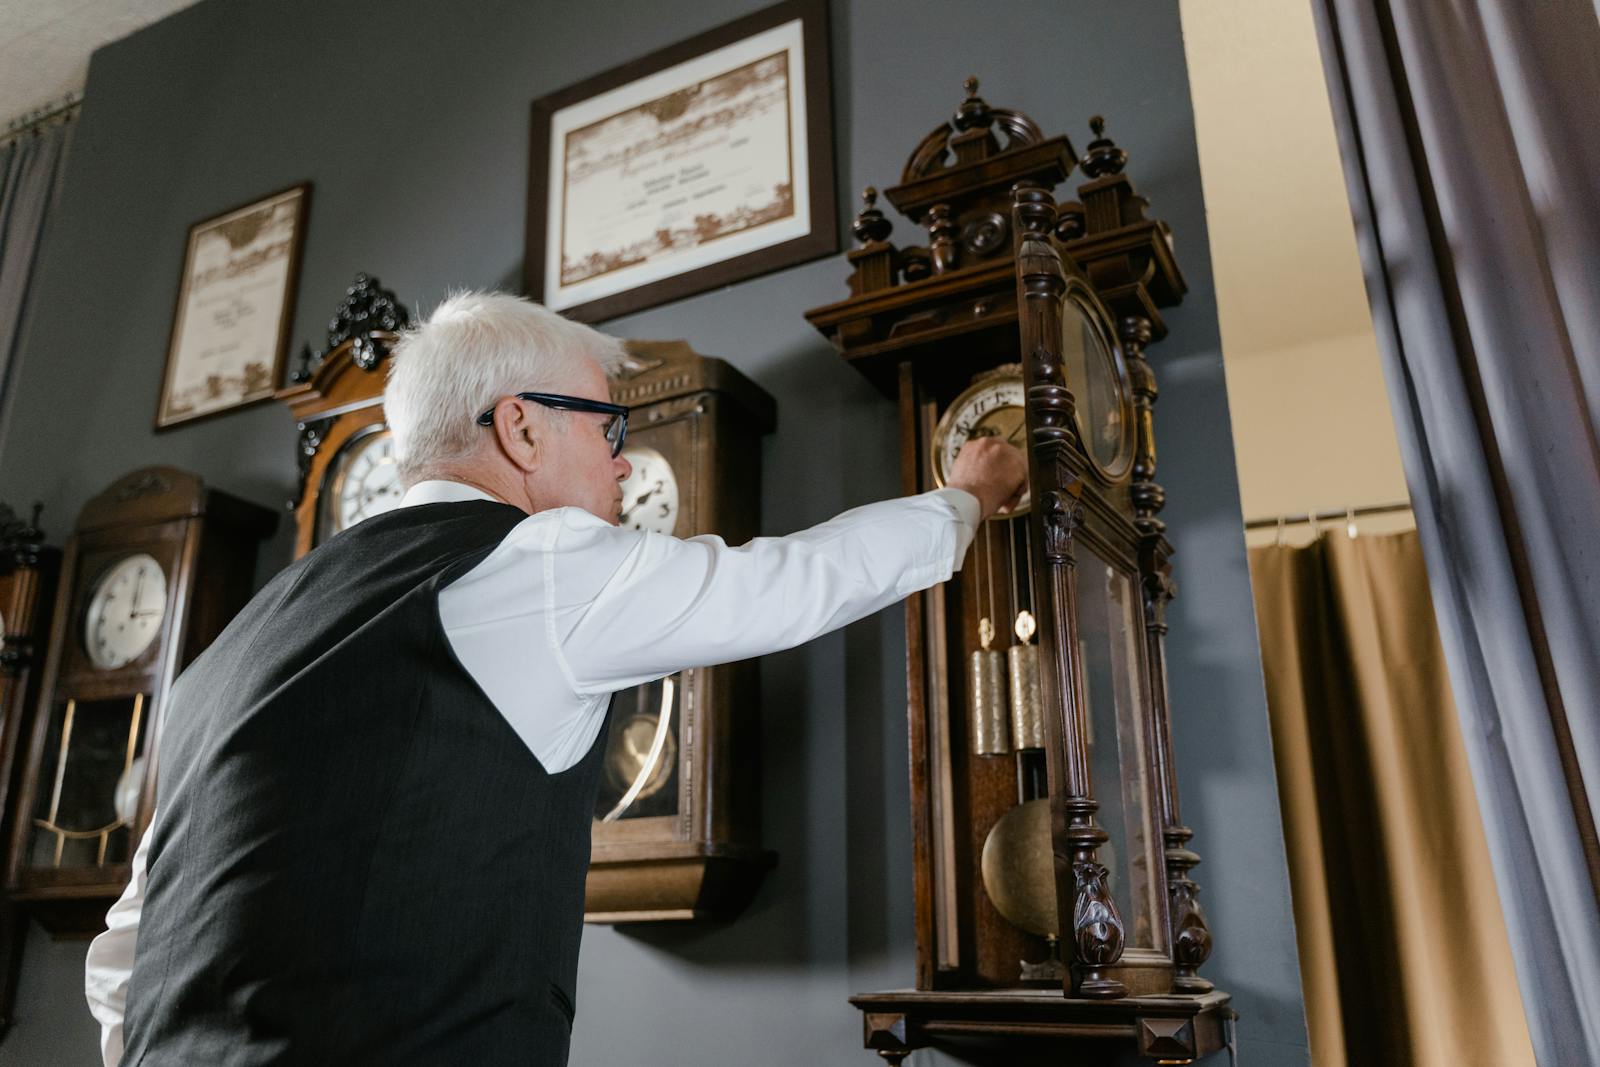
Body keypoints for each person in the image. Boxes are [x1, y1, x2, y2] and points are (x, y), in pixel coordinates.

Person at [83, 291, 1027, 1066]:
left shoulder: (238, 640)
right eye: (608, 423)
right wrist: (965, 498)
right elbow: (791, 582)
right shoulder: (535, 563)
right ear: (522, 429)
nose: (622, 457)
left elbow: (131, 945)